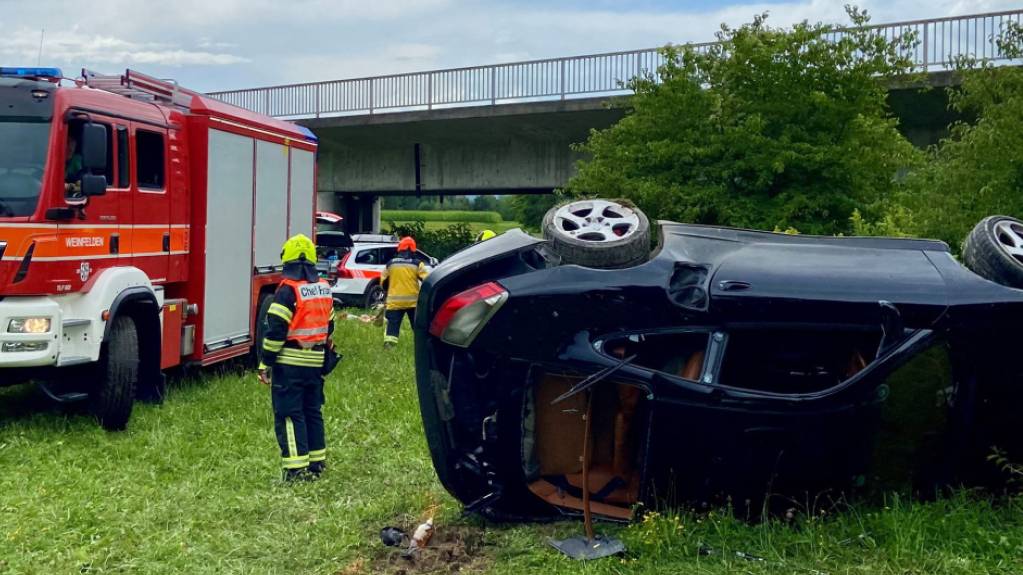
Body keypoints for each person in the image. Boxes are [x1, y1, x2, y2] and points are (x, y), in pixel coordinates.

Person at [258, 234, 337, 481]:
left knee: (290, 414)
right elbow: (330, 326)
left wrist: (265, 363)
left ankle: (295, 470)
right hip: (315, 364)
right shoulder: (324, 288)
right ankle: (316, 464)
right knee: (312, 411)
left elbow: (275, 332)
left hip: (290, 363)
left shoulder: (286, 291)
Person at [380, 236, 429, 347]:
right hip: (413, 303)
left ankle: (389, 346)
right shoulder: (417, 264)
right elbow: (427, 281)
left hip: (394, 303)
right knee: (417, 326)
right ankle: (421, 346)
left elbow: (383, 282)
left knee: (392, 326)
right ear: (412, 249)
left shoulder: (390, 264)